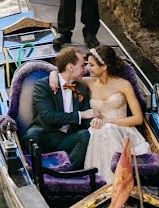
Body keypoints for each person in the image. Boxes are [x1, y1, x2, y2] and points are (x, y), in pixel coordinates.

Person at [49, 45, 152, 182]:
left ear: (104, 67)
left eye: (91, 65)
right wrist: (53, 74)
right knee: (99, 131)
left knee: (107, 129)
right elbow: (66, 75)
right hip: (97, 129)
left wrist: (108, 122)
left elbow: (138, 118)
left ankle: (116, 181)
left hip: (122, 130)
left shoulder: (124, 85)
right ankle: (102, 182)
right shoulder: (88, 82)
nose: (87, 69)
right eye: (86, 65)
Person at [24, 47, 96, 170]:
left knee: (84, 135)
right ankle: (36, 170)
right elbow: (48, 117)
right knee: (32, 135)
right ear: (70, 67)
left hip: (66, 138)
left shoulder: (81, 88)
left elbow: (87, 118)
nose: (85, 69)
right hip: (45, 134)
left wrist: (95, 122)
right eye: (82, 66)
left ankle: (67, 171)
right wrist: (81, 115)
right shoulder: (43, 86)